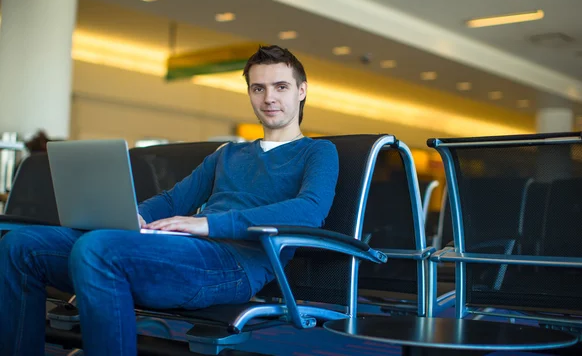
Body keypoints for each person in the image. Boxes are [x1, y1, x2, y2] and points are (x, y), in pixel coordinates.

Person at [0, 45, 339, 356]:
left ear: (302, 91)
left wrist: (209, 223)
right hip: (184, 250)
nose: (269, 98)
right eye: (258, 88)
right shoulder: (229, 153)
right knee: (19, 246)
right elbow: (174, 199)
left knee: (98, 249)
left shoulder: (318, 151)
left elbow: (310, 210)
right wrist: (131, 216)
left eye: (281, 87)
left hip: (235, 265)